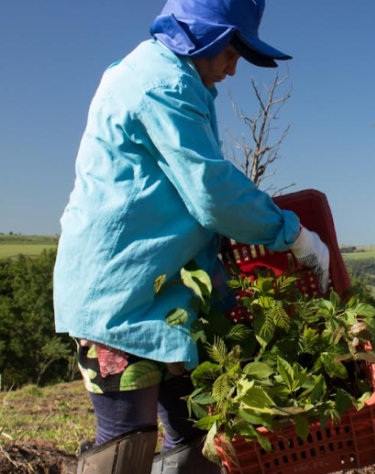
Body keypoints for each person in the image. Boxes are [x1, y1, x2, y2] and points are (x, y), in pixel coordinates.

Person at [53, 1, 330, 473]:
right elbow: (211, 193)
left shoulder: (170, 76)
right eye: (231, 51)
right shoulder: (162, 84)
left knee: (196, 440)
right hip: (122, 293)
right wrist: (292, 234)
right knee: (126, 444)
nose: (233, 67)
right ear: (202, 35)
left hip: (167, 295)